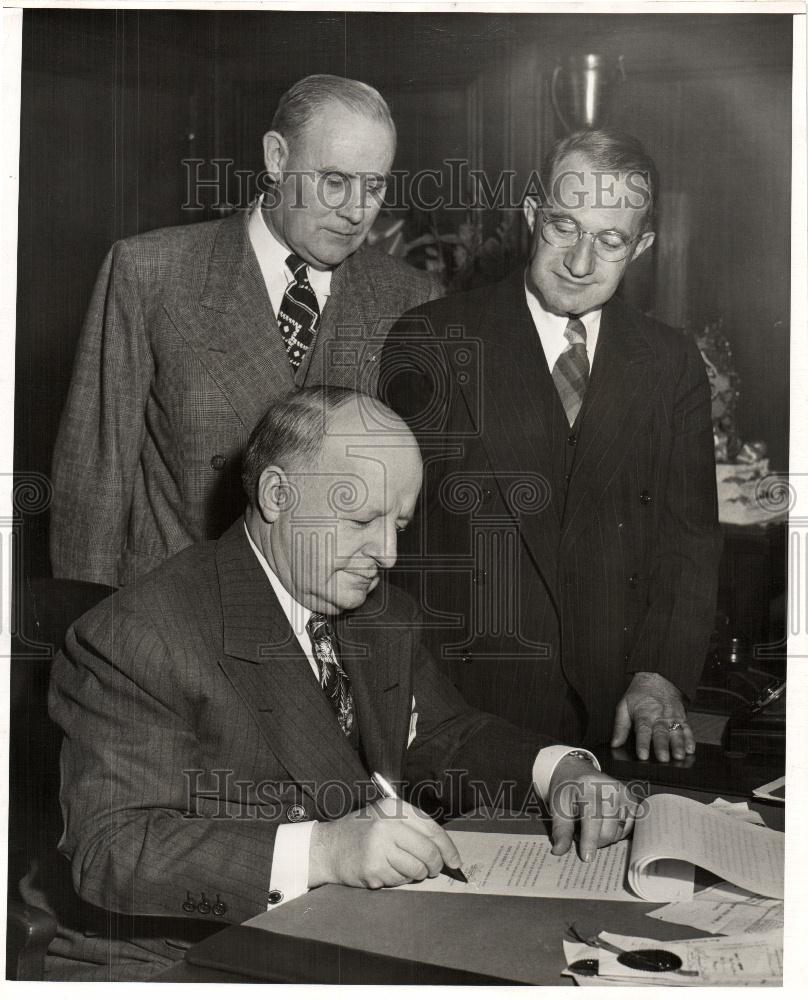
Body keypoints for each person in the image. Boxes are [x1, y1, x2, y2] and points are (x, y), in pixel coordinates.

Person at [40, 387, 637, 980]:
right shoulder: (139, 636)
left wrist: (560, 770)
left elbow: (443, 735)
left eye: (399, 523)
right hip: (178, 958)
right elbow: (111, 851)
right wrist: (325, 851)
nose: (388, 554)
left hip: (343, 933)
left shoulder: (379, 612)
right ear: (277, 494)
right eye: (361, 520)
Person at [380, 128, 721, 763]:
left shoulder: (671, 363)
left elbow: (689, 539)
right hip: (468, 720)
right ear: (533, 216)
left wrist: (659, 674)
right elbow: (390, 548)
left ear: (641, 247)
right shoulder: (434, 338)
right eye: (564, 227)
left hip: (617, 718)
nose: (580, 262)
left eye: (610, 240)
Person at [50, 74, 439, 588]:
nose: (356, 211)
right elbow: (94, 482)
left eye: (376, 185)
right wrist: (89, 637)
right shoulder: (151, 272)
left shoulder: (411, 299)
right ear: (277, 159)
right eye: (334, 181)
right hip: (172, 619)